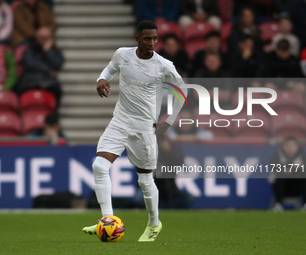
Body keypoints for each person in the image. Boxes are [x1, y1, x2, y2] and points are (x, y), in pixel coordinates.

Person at [82, 20, 187, 242]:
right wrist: (101, 78)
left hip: (144, 128)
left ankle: (154, 224)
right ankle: (107, 221)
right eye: (147, 38)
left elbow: (182, 89)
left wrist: (169, 120)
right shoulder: (123, 54)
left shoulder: (164, 65)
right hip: (120, 121)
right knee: (99, 166)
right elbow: (110, 68)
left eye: (155, 38)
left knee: (145, 180)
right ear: (137, 38)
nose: (152, 43)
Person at [18, 27, 64, 105]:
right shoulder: (29, 50)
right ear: (37, 38)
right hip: (30, 81)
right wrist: (49, 70)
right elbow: (31, 64)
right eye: (42, 38)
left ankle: (52, 115)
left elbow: (58, 65)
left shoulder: (55, 51)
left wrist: (48, 51)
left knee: (57, 91)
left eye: (47, 38)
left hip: (49, 82)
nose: (44, 40)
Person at [270, 137, 306, 211]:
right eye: (288, 146)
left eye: (292, 146)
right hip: (282, 187)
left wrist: (291, 169)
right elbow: (273, 166)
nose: (290, 148)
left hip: (297, 187)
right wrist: (290, 168)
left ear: (297, 147)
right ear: (284, 147)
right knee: (279, 178)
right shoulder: (278, 155)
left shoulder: (302, 155)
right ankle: (278, 204)